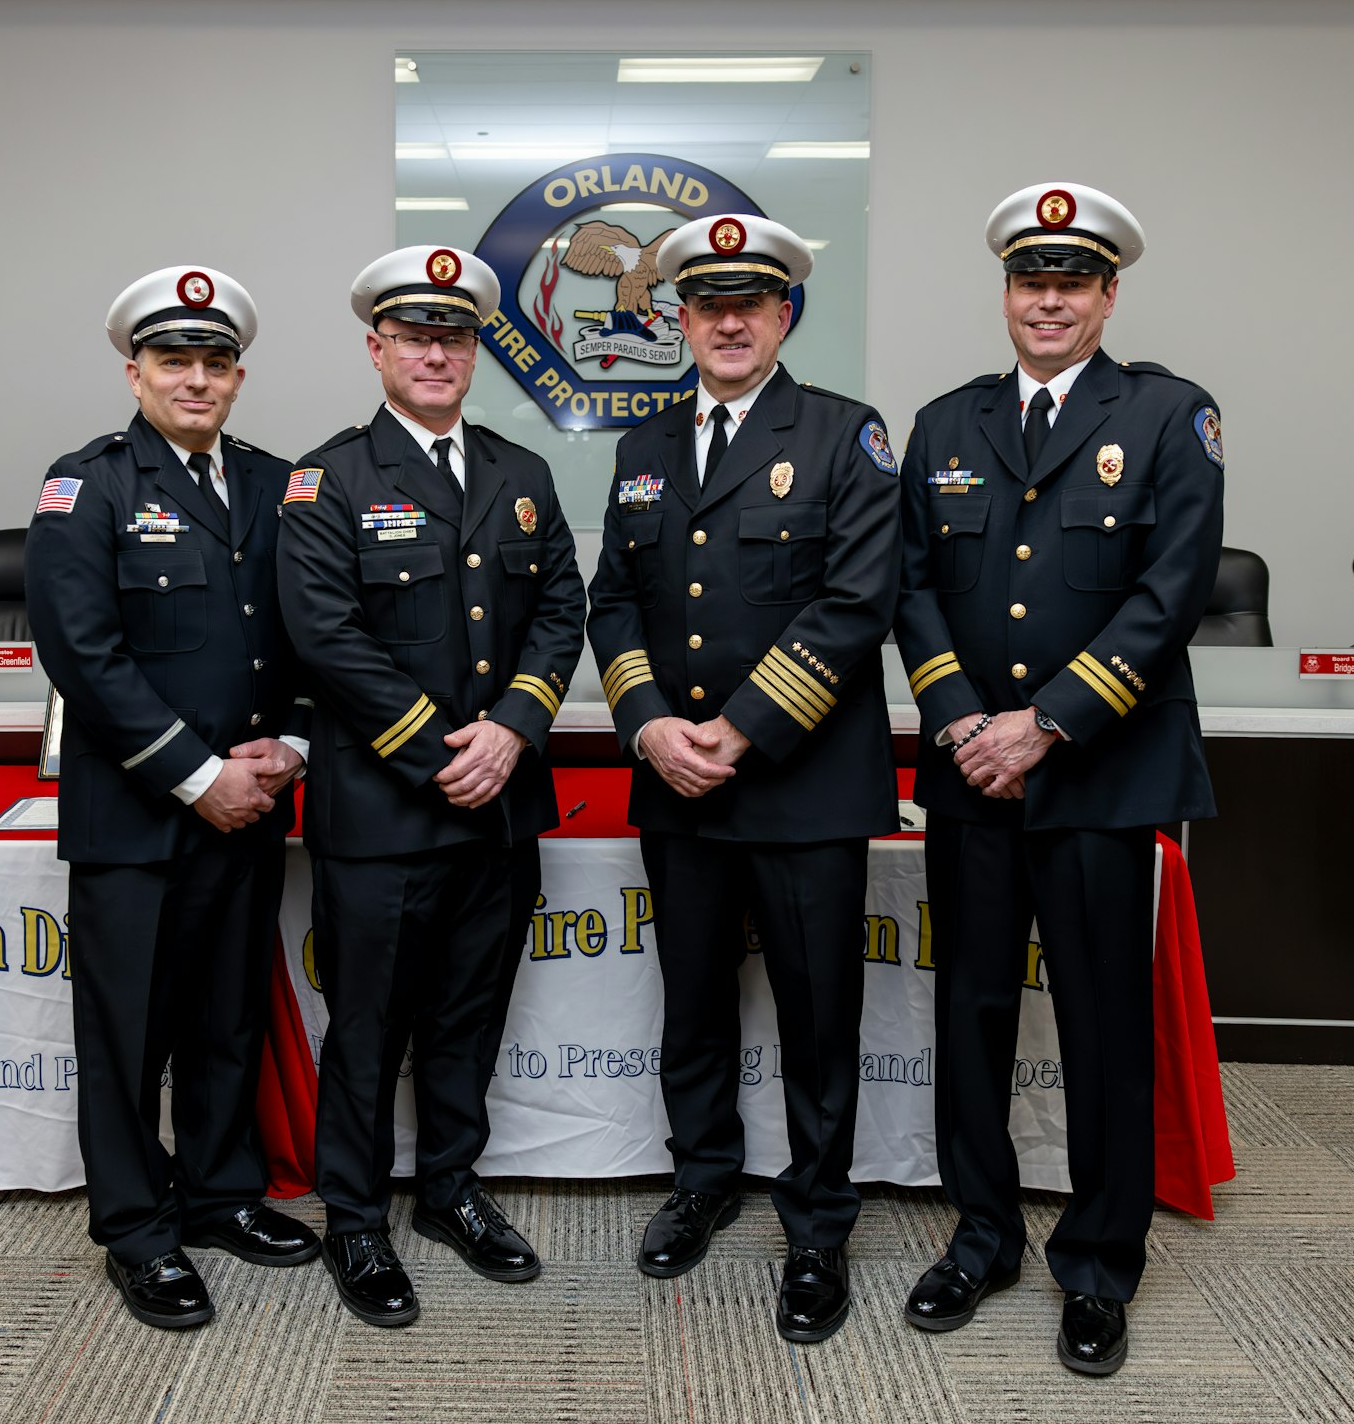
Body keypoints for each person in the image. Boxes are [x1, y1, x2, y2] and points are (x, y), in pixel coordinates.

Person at [894, 183, 1225, 1375]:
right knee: (971, 1014)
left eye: (1071, 280)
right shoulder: (942, 423)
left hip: (1099, 776)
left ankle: (1095, 1262)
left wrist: (1044, 722)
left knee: (1099, 1027)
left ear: (1106, 294)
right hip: (972, 776)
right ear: (1005, 292)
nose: (1048, 297)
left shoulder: (1169, 414)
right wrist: (957, 721)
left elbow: (1168, 594)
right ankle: (980, 1235)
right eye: (1030, 278)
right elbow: (910, 588)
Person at [585, 214, 901, 1343]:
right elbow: (610, 599)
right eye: (704, 302)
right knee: (694, 1000)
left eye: (748, 302)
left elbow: (856, 599)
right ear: (678, 316)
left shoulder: (843, 435)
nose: (725, 319)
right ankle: (703, 1175)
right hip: (675, 778)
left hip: (800, 782)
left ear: (782, 315)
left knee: (818, 1012)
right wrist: (648, 723)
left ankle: (816, 1223)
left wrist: (741, 729)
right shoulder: (643, 447)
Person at [277, 245, 586, 1328]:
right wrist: (439, 748)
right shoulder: (324, 481)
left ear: (474, 352)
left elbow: (560, 611)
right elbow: (324, 636)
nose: (434, 353)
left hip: (498, 809)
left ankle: (449, 1187)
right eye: (413, 335)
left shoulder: (521, 473)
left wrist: (511, 729)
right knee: (369, 1026)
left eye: (452, 336)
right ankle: (354, 1216)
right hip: (383, 814)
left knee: (468, 1014)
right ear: (376, 348)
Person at [23, 265, 318, 1330]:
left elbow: (304, 637)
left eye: (214, 361)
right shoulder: (86, 485)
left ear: (237, 373)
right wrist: (200, 776)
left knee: (226, 1014)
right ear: (133, 369)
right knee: (127, 1030)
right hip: (140, 819)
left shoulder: (279, 484)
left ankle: (221, 1191)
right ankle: (139, 1230)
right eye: (172, 360)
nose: (195, 378)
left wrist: (284, 743)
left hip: (248, 804)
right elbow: (82, 655)